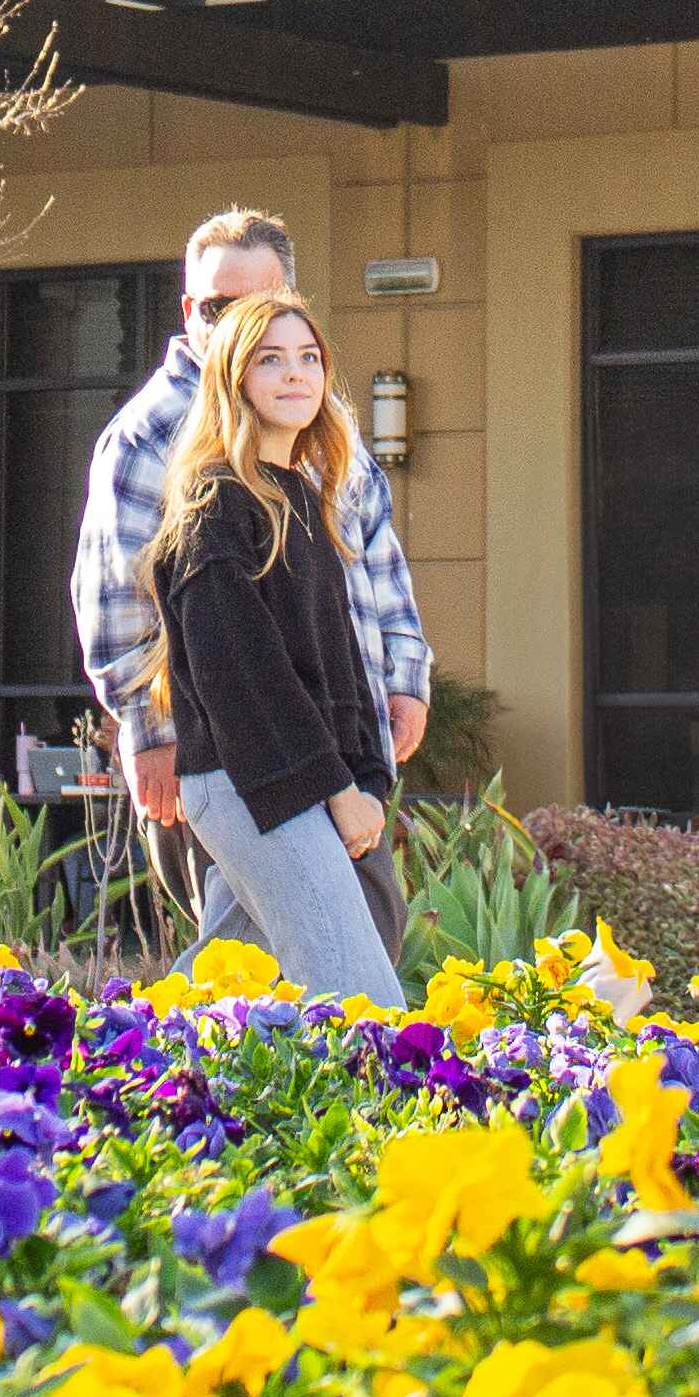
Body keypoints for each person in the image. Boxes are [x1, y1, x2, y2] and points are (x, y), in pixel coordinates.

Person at [71, 209, 429, 961]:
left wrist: (405, 678)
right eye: (214, 307)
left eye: (258, 306)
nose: (233, 323)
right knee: (320, 958)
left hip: (336, 739)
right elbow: (114, 599)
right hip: (227, 752)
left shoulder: (316, 420)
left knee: (254, 967)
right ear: (187, 313)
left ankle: (147, 1073)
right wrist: (150, 732)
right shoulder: (151, 433)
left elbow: (374, 560)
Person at [141, 289, 405, 1005]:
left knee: (212, 996)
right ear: (233, 379)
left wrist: (368, 778)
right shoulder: (215, 505)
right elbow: (247, 679)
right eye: (270, 360)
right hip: (249, 779)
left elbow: (336, 665)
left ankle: (107, 1082)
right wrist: (338, 790)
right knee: (362, 1002)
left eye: (308, 359)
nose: (295, 375)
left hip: (298, 775)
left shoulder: (303, 499)